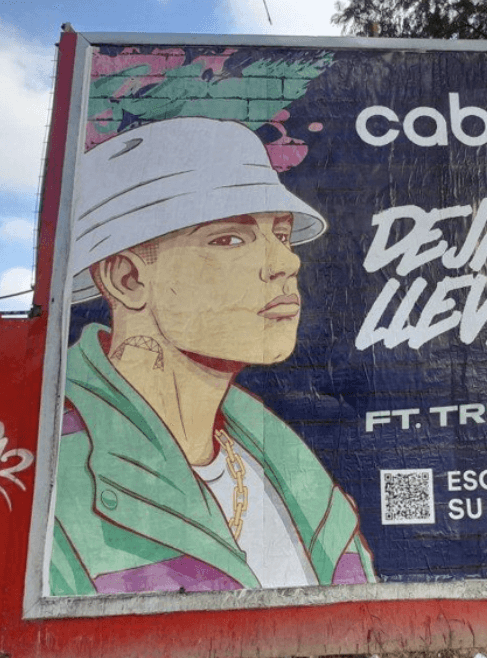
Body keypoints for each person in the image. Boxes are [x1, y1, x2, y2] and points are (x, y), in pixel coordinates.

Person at [49, 117, 376, 596]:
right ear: (128, 280)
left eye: (281, 235)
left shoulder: (289, 466)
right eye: (229, 239)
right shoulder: (48, 476)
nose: (286, 262)